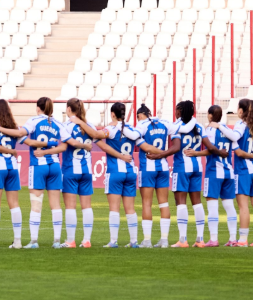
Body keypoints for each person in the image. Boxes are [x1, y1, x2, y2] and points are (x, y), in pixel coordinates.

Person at [0, 97, 62, 249]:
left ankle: (34, 241)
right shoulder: (58, 123)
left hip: (38, 166)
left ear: (38, 108)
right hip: (55, 165)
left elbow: (21, 134)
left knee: (36, 204)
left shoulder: (34, 121)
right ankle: (57, 241)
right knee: (55, 204)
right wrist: (51, 146)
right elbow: (64, 143)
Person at [148, 101, 205, 248]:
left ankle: (183, 239)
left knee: (180, 202)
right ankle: (200, 239)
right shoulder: (198, 126)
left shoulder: (177, 126)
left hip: (182, 167)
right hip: (197, 166)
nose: (175, 113)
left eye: (176, 110)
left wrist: (160, 155)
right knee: (197, 202)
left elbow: (176, 147)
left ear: (179, 111)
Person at [89, 103, 141, 248]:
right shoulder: (131, 129)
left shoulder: (111, 129)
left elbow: (97, 136)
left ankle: (113, 241)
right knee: (130, 208)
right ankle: (134, 241)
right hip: (131, 171)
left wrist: (94, 138)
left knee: (114, 208)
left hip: (115, 172)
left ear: (112, 114)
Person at [0, 99, 25, 249]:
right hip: (13, 168)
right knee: (14, 205)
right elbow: (23, 138)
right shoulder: (15, 127)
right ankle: (18, 241)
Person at [135, 104, 175, 248]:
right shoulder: (164, 123)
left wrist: (157, 153)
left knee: (147, 203)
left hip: (148, 167)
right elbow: (178, 130)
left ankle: (147, 240)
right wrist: (164, 153)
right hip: (164, 166)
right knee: (163, 203)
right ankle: (164, 240)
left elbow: (141, 143)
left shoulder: (141, 125)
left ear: (140, 115)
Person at [58, 98, 95, 248]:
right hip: (86, 170)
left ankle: (70, 240)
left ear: (68, 109)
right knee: (86, 206)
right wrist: (87, 145)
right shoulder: (89, 126)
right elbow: (97, 135)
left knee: (70, 206)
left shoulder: (65, 126)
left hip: (70, 170)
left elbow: (71, 143)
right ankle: (86, 240)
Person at [202, 105, 241, 247]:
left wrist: (195, 153)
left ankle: (213, 239)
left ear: (211, 115)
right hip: (228, 172)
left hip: (214, 171)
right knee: (229, 205)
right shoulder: (227, 129)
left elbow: (210, 150)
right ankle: (233, 238)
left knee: (212, 206)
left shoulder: (210, 130)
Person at [233, 98, 253, 247]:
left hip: (244, 170)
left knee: (243, 206)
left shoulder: (240, 125)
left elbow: (239, 152)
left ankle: (243, 239)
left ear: (242, 110)